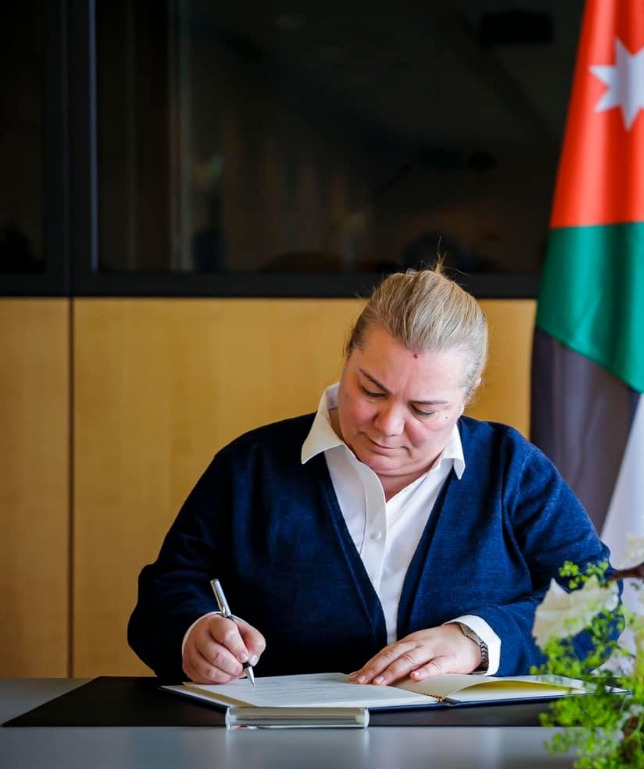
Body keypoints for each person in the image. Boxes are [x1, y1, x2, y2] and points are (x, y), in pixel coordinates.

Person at [128, 266, 609, 686]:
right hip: (285, 747)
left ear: (467, 396)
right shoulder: (251, 468)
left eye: (424, 409)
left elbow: (597, 605)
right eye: (372, 391)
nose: (389, 425)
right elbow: (162, 598)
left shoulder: (512, 470)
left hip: (471, 749)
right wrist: (192, 632)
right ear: (348, 356)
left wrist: (476, 643)